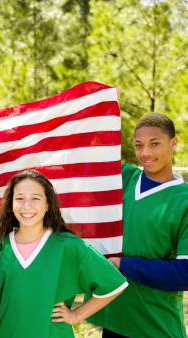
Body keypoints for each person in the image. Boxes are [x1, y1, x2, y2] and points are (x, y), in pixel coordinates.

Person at [0, 170, 128, 337]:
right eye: (19, 198)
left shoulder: (67, 245)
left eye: (36, 198)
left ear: (48, 204)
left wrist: (76, 315)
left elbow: (114, 284)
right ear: (11, 204)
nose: (27, 205)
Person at [87, 112, 188, 338]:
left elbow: (185, 273)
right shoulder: (123, 177)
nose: (145, 153)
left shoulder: (184, 200)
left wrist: (124, 265)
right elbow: (88, 152)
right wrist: (105, 110)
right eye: (139, 145)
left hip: (156, 325)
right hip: (114, 318)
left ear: (173, 144)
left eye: (155, 144)